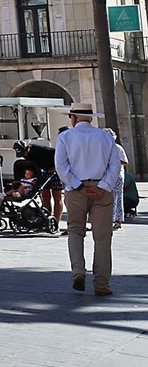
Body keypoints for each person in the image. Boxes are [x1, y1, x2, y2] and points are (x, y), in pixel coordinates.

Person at [55, 104, 120, 295]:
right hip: (102, 189)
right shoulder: (105, 137)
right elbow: (115, 165)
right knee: (102, 238)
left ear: (73, 118)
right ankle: (102, 284)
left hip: (76, 191)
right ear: (90, 118)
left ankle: (78, 271)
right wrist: (102, 187)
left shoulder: (65, 137)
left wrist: (79, 186)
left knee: (75, 232)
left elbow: (61, 166)